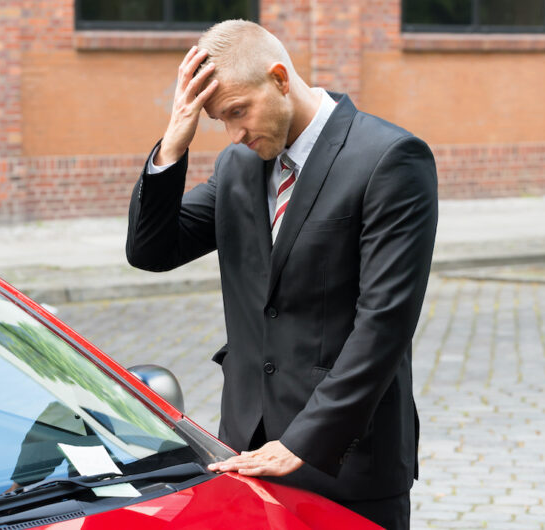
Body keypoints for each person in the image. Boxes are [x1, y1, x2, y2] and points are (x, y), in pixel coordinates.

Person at [126, 19, 437, 528]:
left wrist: (303, 440)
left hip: (346, 460)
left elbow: (385, 322)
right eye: (220, 122)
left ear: (279, 78)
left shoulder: (389, 159)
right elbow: (151, 250)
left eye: (238, 112)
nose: (234, 134)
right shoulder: (237, 166)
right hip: (246, 453)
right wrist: (173, 144)